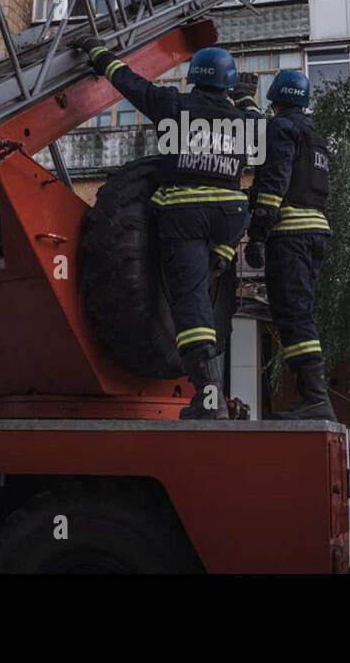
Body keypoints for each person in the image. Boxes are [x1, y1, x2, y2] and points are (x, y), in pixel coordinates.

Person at [74, 36, 259, 420]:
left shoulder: (176, 107)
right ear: (227, 83)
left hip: (186, 213)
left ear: (194, 78)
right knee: (208, 286)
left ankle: (209, 399)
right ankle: (219, 263)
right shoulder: (245, 124)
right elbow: (262, 126)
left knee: (189, 303)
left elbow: (129, 82)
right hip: (229, 216)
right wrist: (245, 99)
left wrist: (96, 52)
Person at [245, 70, 336, 420]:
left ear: (275, 99)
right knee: (300, 313)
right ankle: (310, 398)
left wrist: (256, 232)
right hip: (316, 232)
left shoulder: (281, 129)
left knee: (293, 315)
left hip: (291, 235)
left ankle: (315, 399)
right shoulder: (313, 135)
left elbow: (274, 182)